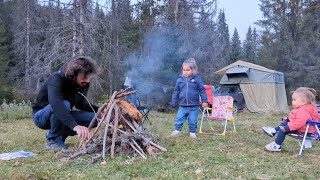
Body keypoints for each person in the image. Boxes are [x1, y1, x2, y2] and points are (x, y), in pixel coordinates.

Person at [32, 56, 103, 149]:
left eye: (89, 77)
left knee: (97, 118)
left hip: (64, 113)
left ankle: (61, 135)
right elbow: (56, 104)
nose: (87, 80)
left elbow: (81, 104)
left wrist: (101, 110)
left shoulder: (83, 84)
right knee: (65, 104)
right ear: (74, 73)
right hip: (41, 116)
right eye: (85, 76)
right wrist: (75, 126)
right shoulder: (56, 79)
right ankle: (54, 140)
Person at [262, 87, 319, 152]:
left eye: (294, 100)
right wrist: (289, 119)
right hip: (304, 128)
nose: (292, 101)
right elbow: (297, 118)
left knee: (283, 130)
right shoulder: (304, 108)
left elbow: (299, 123)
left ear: (304, 102)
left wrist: (288, 128)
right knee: (285, 124)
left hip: (305, 131)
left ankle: (276, 145)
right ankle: (273, 131)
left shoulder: (303, 111)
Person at [170, 58, 208, 138]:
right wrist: (174, 100)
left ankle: (192, 132)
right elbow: (176, 91)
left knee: (193, 120)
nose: (185, 72)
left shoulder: (197, 79)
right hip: (182, 105)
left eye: (187, 70)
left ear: (193, 70)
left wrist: (205, 101)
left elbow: (202, 90)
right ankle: (177, 130)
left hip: (194, 106)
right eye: (184, 70)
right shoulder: (180, 80)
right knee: (179, 118)